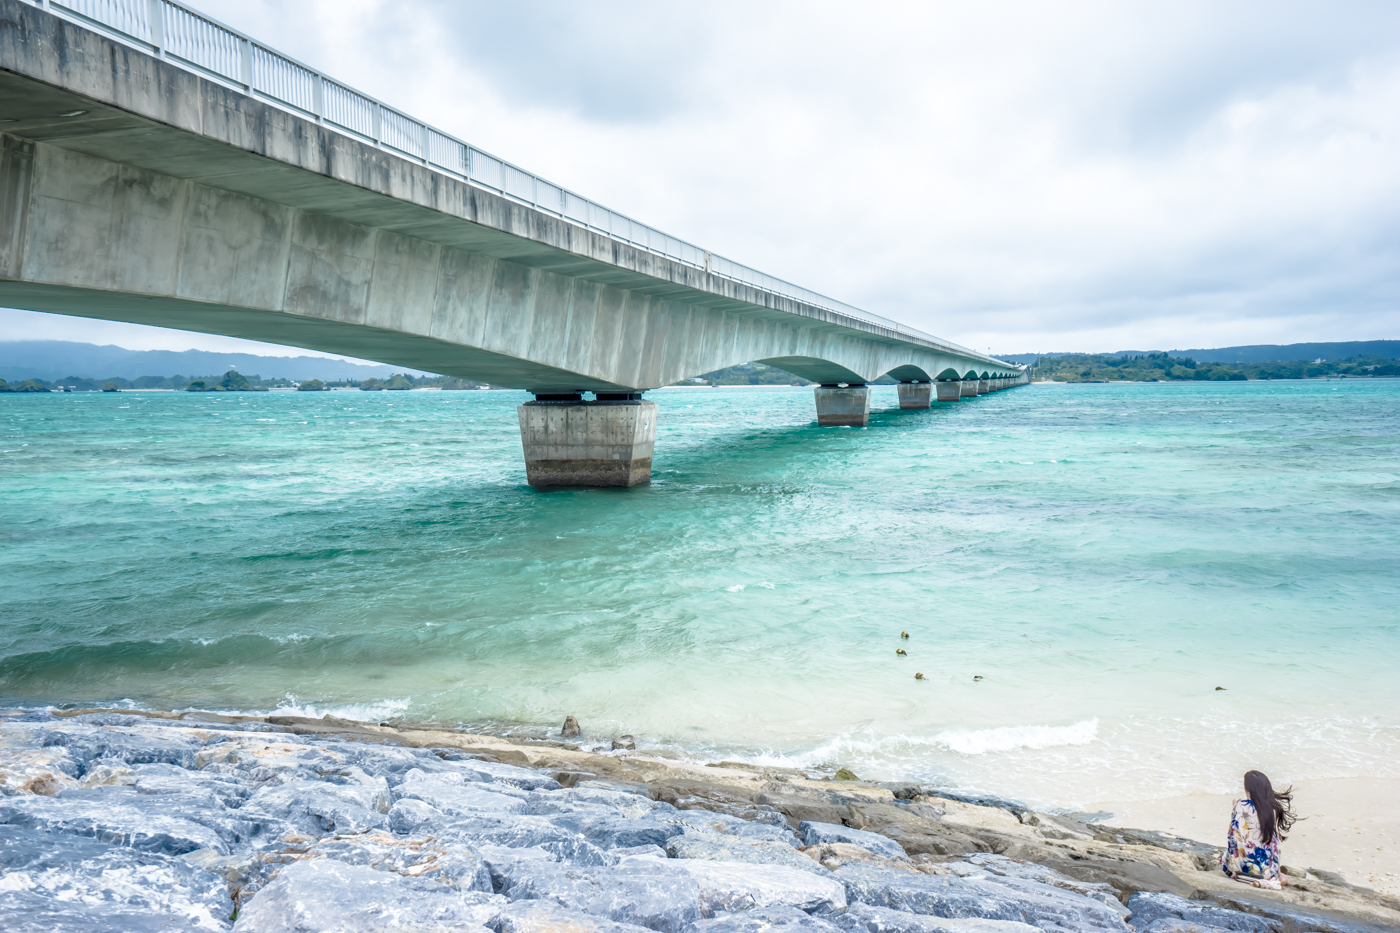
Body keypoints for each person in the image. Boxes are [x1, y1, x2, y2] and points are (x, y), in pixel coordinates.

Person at [1221, 770, 1297, 889]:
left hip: (1236, 871)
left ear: (1247, 790)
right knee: (1284, 878)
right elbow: (1275, 847)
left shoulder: (1237, 804)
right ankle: (1270, 879)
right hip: (1264, 874)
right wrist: (1277, 873)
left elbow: (1232, 836)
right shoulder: (1272, 810)